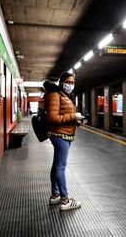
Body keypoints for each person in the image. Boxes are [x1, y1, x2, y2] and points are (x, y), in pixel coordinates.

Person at [44, 71, 85, 211]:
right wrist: (73, 116)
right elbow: (52, 118)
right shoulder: (55, 94)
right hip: (59, 135)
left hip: (64, 133)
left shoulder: (64, 95)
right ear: (61, 82)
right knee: (61, 167)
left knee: (56, 166)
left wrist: (76, 121)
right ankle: (65, 200)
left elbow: (63, 115)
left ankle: (55, 195)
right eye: (68, 82)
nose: (70, 85)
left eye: (73, 83)